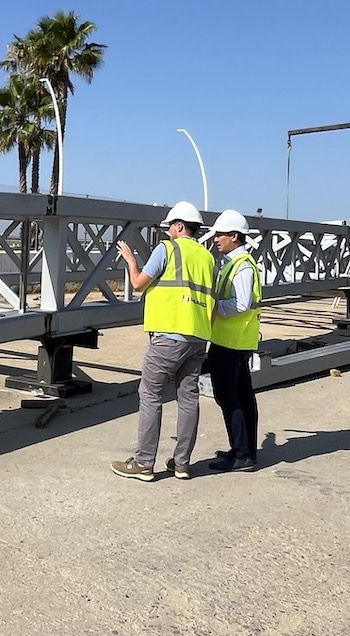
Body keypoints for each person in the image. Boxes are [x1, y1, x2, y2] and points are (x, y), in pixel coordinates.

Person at [111, 201, 217, 482]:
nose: (168, 230)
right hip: (198, 338)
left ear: (180, 226)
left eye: (171, 225)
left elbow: (138, 284)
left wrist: (132, 260)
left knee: (149, 395)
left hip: (168, 336)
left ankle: (144, 462)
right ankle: (182, 464)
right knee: (188, 399)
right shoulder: (207, 258)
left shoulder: (167, 249)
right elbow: (213, 300)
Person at [206, 209, 262, 473]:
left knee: (229, 398)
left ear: (235, 237)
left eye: (220, 234)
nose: (216, 239)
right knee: (242, 397)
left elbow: (240, 304)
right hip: (237, 341)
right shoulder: (233, 262)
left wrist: (213, 306)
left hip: (230, 342)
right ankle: (244, 449)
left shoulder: (242, 266)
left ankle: (243, 454)